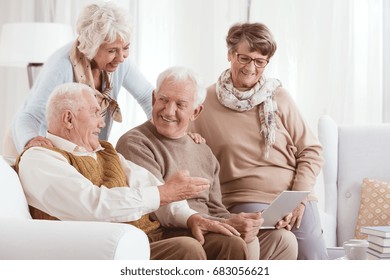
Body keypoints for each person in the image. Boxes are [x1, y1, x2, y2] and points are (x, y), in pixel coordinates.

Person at [15, 82, 249, 260]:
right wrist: (163, 193)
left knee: (230, 243)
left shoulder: (105, 152)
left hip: (149, 237)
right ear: (68, 119)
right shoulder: (41, 158)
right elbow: (92, 205)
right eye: (96, 113)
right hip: (111, 249)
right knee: (186, 249)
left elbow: (149, 184)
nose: (102, 123)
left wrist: (191, 217)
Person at [116, 66, 298, 260]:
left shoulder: (203, 151)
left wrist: (249, 220)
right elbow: (158, 209)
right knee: (234, 242)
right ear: (153, 99)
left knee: (283, 240)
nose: (169, 110)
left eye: (180, 104)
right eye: (163, 99)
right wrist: (229, 224)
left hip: (209, 228)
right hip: (173, 232)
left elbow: (216, 209)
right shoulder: (135, 143)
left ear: (196, 111)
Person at [190, 23, 329, 260]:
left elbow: (311, 150)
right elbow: (179, 137)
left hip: (295, 194)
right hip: (244, 197)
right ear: (230, 54)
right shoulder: (204, 101)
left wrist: (299, 198)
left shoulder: (279, 97)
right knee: (281, 245)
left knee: (315, 261)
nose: (251, 68)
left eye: (260, 61)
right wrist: (189, 139)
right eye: (244, 58)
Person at [9, 1, 153, 157]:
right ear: (92, 46)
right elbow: (29, 116)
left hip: (78, 150)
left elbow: (147, 97)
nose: (121, 57)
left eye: (126, 48)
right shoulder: (61, 66)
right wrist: (31, 142)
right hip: (29, 139)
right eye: (112, 50)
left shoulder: (118, 62)